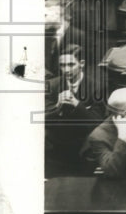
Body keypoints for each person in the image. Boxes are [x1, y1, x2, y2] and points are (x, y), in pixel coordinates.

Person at [45, 44, 105, 176]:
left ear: (81, 63)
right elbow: (43, 119)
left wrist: (77, 104)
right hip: (56, 146)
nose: (66, 70)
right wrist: (57, 107)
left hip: (82, 146)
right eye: (62, 65)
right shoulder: (52, 85)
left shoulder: (96, 87)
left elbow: (98, 123)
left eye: (71, 64)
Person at [44, 0, 88, 79]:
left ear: (57, 14)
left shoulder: (79, 35)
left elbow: (86, 66)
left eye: (45, 15)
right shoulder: (44, 36)